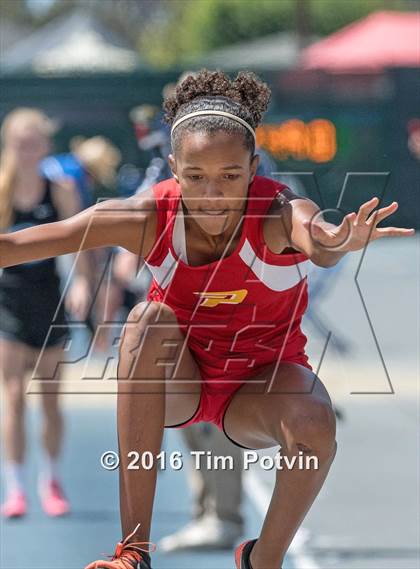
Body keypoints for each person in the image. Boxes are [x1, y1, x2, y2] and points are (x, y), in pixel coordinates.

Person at [0, 71, 414, 569]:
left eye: (230, 176)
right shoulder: (148, 215)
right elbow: (20, 245)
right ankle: (133, 551)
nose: (213, 193)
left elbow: (318, 240)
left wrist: (337, 242)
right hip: (181, 379)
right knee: (146, 320)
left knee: (314, 421)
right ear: (173, 168)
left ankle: (263, 559)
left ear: (254, 168)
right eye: (195, 176)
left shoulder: (277, 209)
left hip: (259, 387)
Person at [0, 108, 91, 518]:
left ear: (44, 146)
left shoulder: (61, 191)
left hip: (48, 300)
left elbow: (82, 242)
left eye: (33, 142)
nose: (25, 149)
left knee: (50, 400)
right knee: (14, 397)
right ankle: (15, 487)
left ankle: (50, 478)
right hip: (8, 302)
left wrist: (83, 284)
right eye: (19, 142)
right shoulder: (1, 192)